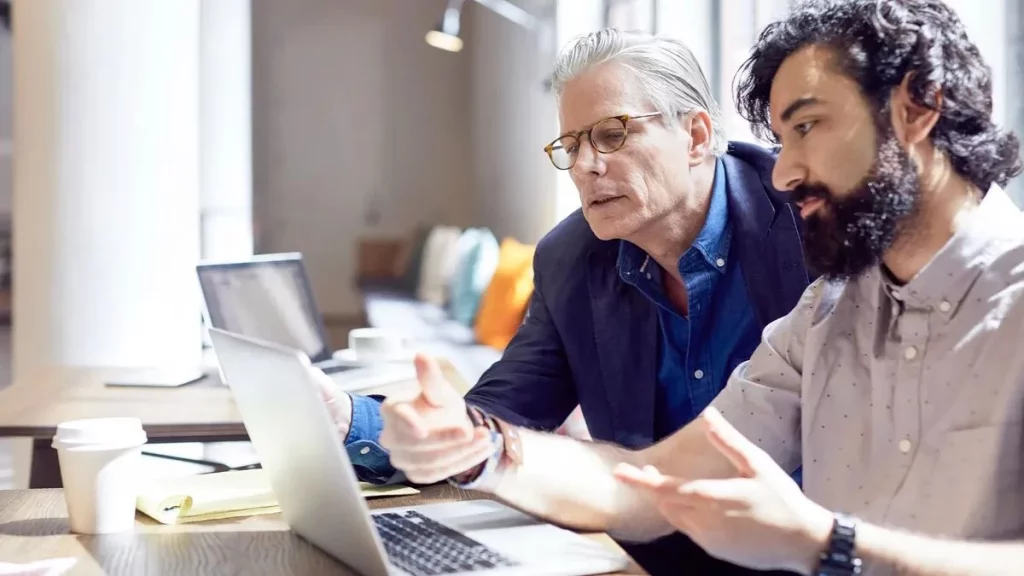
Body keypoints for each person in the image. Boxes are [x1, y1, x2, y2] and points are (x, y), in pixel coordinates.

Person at [378, 0, 1024, 574]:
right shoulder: (828, 311)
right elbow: (653, 484)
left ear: (918, 107)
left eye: (807, 126)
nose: (784, 173)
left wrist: (830, 545)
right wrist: (484, 449)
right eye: (781, 138)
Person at [323, 29, 812, 575]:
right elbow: (500, 416)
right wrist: (348, 419)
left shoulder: (810, 221)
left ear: (695, 135)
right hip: (646, 559)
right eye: (572, 145)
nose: (585, 166)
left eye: (611, 134)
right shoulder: (571, 258)